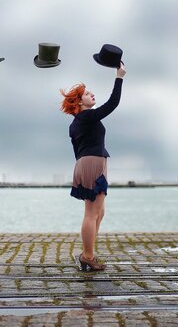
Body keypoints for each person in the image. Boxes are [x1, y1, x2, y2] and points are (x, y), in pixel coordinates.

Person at [60, 63, 126, 271]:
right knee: (91, 212)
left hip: (87, 162)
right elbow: (112, 103)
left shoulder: (77, 123)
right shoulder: (86, 117)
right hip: (92, 162)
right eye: (87, 94)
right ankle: (87, 256)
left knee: (100, 212)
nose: (92, 94)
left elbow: (76, 150)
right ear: (79, 103)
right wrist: (119, 77)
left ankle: (89, 252)